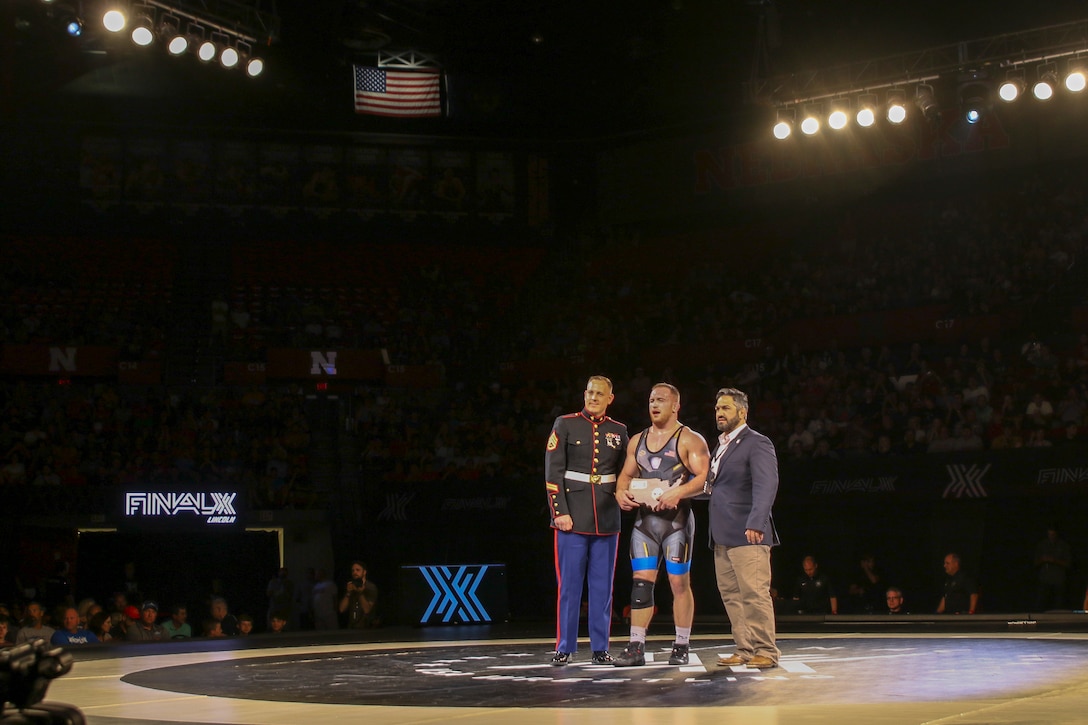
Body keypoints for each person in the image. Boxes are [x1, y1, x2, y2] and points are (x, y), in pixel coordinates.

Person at [613, 383, 710, 667]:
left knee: (679, 583)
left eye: (662, 400)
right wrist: (620, 493)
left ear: (676, 405)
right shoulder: (637, 441)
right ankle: (635, 646)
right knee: (641, 585)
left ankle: (681, 644)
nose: (655, 404)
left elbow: (704, 478)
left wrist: (678, 492)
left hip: (676, 524)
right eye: (651, 399)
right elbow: (624, 477)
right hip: (646, 523)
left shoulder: (689, 439)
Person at [545, 375, 629, 666]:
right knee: (569, 586)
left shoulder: (619, 431)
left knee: (602, 587)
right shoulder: (565, 423)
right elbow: (553, 473)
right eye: (590, 392)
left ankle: (600, 648)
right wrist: (559, 513)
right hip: (573, 517)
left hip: (606, 517)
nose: (593, 397)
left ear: (610, 398)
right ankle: (564, 647)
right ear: (584, 394)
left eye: (599, 394)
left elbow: (625, 473)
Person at [706, 387, 781, 670]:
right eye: (717, 409)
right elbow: (714, 487)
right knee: (732, 596)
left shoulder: (757, 443)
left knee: (754, 593)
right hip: (722, 535)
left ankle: (766, 650)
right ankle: (745, 648)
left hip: (748, 533)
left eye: (725, 408)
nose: (719, 413)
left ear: (742, 412)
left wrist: (756, 522)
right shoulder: (720, 446)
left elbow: (767, 484)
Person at [1033, 526, 1072, 610]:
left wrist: (1054, 560)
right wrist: (1043, 559)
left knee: (1059, 604)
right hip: (1045, 578)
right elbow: (1035, 563)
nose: (1051, 536)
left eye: (1053, 534)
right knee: (1041, 602)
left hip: (1059, 579)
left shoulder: (1063, 546)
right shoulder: (1042, 545)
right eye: (1049, 534)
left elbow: (1068, 564)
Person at [339, 561, 378, 629]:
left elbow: (367, 610)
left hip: (367, 628)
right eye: (353, 570)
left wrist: (360, 593)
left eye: (358, 570)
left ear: (364, 572)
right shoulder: (351, 586)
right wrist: (348, 593)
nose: (355, 572)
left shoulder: (370, 587)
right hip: (352, 627)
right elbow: (341, 609)